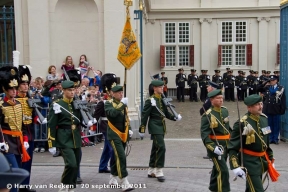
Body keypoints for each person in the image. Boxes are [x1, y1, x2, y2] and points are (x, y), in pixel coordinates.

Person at [228, 94, 278, 192]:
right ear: (249, 107)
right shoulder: (242, 123)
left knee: (251, 189)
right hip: (249, 164)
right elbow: (232, 147)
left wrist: (270, 159)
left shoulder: (264, 119)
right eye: (257, 105)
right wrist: (235, 166)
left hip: (262, 162)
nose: (261, 106)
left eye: (261, 103)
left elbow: (266, 143)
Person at [139, 80, 182, 182]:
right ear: (154, 88)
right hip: (154, 125)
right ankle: (159, 170)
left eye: (162, 87)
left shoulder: (162, 99)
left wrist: (175, 118)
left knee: (156, 148)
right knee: (161, 147)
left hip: (161, 126)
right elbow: (145, 115)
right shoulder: (150, 100)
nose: (162, 88)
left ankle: (151, 170)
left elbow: (166, 113)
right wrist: (142, 128)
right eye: (159, 87)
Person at [0, 66, 31, 192]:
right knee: (13, 177)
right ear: (5, 89)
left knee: (18, 172)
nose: (14, 91)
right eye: (10, 88)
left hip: (18, 143)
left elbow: (22, 124)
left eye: (14, 88)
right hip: (7, 142)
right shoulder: (1, 105)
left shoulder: (18, 103)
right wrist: (1, 141)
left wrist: (24, 139)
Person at [48, 80, 82, 191]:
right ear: (63, 90)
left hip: (75, 137)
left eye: (73, 90)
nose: (72, 92)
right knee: (71, 164)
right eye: (69, 90)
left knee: (76, 165)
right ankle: (64, 185)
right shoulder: (57, 104)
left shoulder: (76, 103)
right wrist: (51, 143)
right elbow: (51, 125)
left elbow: (79, 120)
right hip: (64, 138)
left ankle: (71, 188)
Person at [104, 83, 134, 191]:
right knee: (121, 156)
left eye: (122, 92)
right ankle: (124, 181)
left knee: (116, 156)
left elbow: (126, 118)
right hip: (114, 134)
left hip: (123, 134)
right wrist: (122, 105)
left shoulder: (122, 104)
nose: (121, 94)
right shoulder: (108, 103)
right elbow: (111, 114)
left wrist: (129, 128)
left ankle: (113, 177)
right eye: (119, 93)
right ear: (113, 93)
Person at [200, 89, 231, 192]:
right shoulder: (207, 115)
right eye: (218, 98)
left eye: (222, 98)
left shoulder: (225, 110)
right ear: (212, 100)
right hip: (216, 146)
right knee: (223, 171)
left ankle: (213, 188)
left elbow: (228, 129)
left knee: (217, 168)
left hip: (226, 146)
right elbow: (204, 135)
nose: (221, 100)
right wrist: (213, 147)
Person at [16, 65, 38, 192]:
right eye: (23, 83)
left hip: (30, 133)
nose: (26, 86)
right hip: (18, 135)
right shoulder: (14, 100)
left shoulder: (29, 99)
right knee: (18, 162)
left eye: (26, 83)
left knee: (28, 161)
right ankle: (15, 186)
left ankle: (24, 186)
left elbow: (33, 114)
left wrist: (37, 118)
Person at [94, 73, 117, 174]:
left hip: (114, 126)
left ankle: (102, 166)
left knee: (107, 148)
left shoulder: (116, 101)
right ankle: (114, 166)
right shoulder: (102, 103)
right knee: (112, 147)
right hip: (106, 126)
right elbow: (96, 116)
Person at [257, 75, 286, 144]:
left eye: (273, 80)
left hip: (276, 108)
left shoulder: (280, 88)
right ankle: (268, 138)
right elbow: (258, 89)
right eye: (270, 80)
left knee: (276, 124)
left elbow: (283, 99)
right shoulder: (267, 87)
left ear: (276, 81)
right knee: (267, 124)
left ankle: (275, 138)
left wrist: (283, 109)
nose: (271, 82)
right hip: (267, 108)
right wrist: (265, 82)